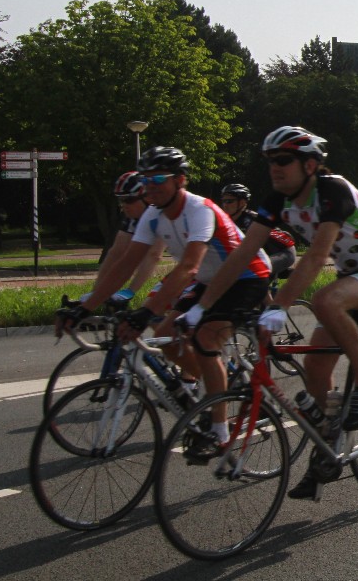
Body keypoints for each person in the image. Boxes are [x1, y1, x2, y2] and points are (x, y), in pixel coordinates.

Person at [200, 127, 358, 496]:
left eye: (283, 160)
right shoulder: (277, 200)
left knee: (324, 300)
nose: (275, 168)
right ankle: (328, 450)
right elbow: (242, 254)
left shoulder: (332, 190)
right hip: (352, 276)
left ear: (310, 165)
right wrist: (202, 307)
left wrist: (279, 305)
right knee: (314, 368)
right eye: (270, 161)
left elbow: (316, 257)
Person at [59, 146, 272, 452]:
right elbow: (127, 263)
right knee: (165, 335)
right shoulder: (153, 215)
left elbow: (189, 267)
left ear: (180, 180)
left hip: (247, 275)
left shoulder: (199, 209)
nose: (151, 186)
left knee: (205, 338)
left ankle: (220, 430)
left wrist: (145, 311)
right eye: (146, 180)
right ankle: (216, 385)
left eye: (159, 178)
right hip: (209, 280)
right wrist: (83, 308)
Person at [89, 172, 168, 303]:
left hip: (198, 266)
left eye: (129, 200)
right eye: (121, 199)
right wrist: (95, 294)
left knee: (151, 306)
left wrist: (130, 291)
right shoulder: (134, 217)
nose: (124, 205)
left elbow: (154, 255)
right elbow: (116, 252)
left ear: (147, 197)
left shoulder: (161, 213)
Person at [219, 182, 298, 278]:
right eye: (223, 201)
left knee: (252, 273)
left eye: (229, 201)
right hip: (261, 256)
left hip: (284, 252)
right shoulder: (226, 221)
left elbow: (287, 240)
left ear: (242, 202)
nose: (225, 205)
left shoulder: (254, 220)